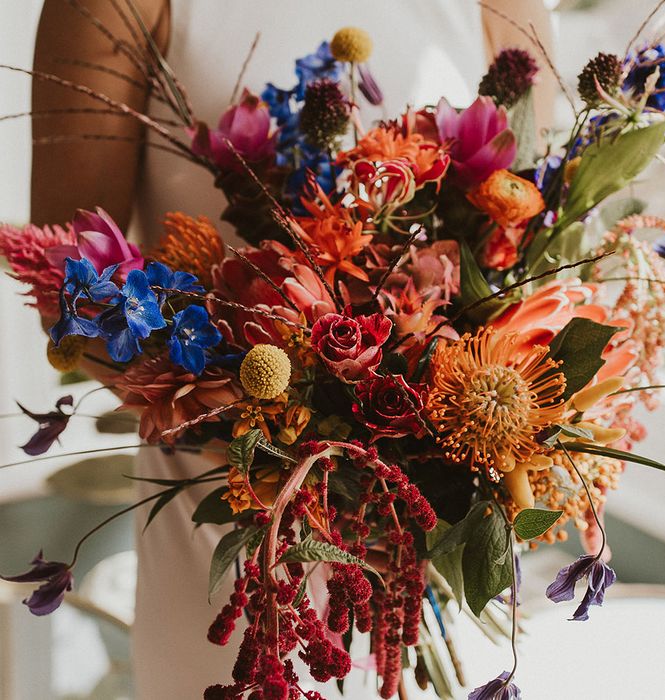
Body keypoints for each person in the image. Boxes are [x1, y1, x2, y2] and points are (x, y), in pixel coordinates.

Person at [30, 1, 555, 697]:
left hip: (443, 537)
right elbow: (70, 295)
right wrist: (273, 432)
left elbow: (544, 239)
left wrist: (452, 427)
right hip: (237, 528)